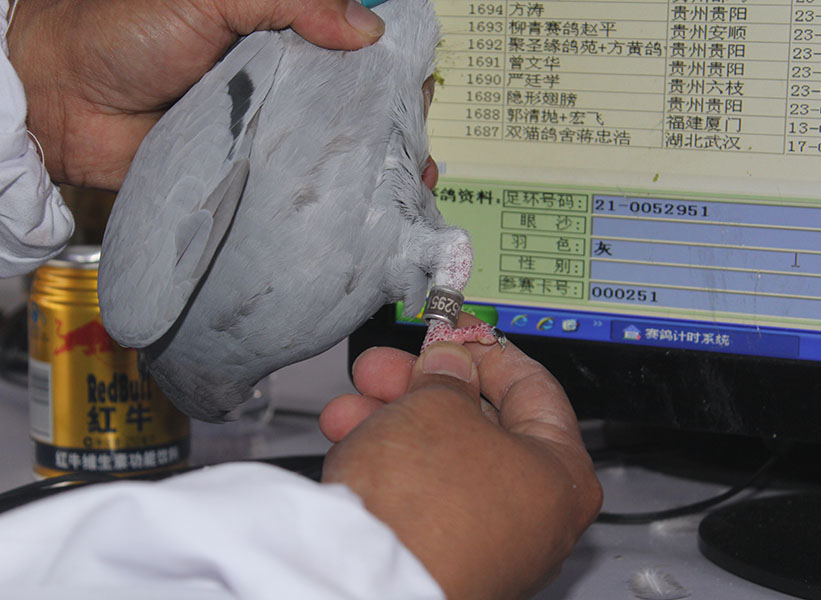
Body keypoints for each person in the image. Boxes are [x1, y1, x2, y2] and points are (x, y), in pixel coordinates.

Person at [0, 1, 603, 598]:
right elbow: (444, 248)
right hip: (378, 69)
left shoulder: (139, 312)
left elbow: (446, 250)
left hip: (330, 55)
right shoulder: (296, 331)